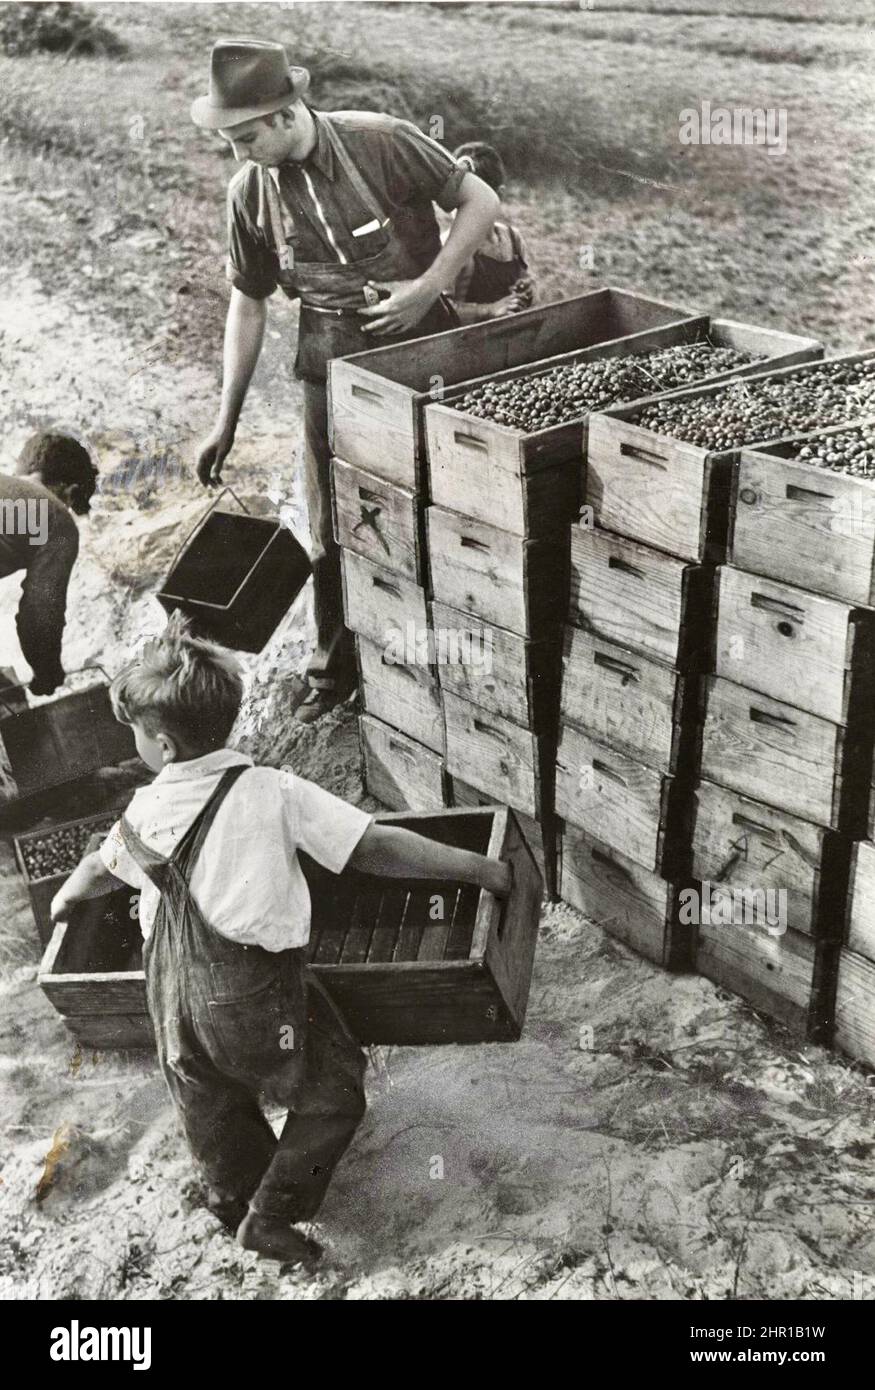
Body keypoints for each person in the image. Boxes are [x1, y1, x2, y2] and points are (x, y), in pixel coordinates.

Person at [49, 619, 512, 1265]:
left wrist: (67, 896)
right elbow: (372, 846)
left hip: (172, 1000)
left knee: (209, 1103)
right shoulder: (273, 791)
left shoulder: (144, 809)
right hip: (251, 994)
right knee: (331, 1092)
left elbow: (101, 867)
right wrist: (476, 869)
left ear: (161, 745)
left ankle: (230, 1198)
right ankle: (271, 1216)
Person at [191, 39, 500, 724]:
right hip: (328, 354)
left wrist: (427, 287)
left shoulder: (381, 140)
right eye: (230, 141)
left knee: (449, 508)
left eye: (247, 137)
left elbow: (478, 200)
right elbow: (248, 303)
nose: (241, 153)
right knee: (332, 523)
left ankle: (459, 662)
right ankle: (332, 675)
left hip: (425, 345)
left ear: (287, 112)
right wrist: (226, 420)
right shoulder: (249, 193)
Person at [0, 432, 97, 696]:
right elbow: (40, 614)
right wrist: (48, 673)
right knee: (9, 696)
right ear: (72, 492)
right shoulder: (56, 518)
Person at [448, 142, 535, 325]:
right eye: (457, 202)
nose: (462, 212)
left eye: (473, 204)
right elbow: (441, 313)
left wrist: (528, 291)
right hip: (466, 346)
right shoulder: (450, 247)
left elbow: (526, 281)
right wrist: (489, 310)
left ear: (499, 196)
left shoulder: (512, 238)